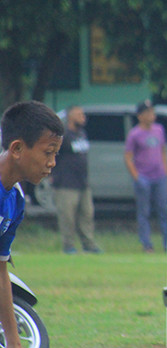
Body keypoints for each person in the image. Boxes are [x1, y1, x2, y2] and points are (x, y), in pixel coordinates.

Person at [0, 101, 63, 348]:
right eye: (48, 152)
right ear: (17, 149)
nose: (52, 163)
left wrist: (14, 346)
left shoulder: (15, 200)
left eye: (55, 153)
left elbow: (1, 271)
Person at [52, 105, 101, 254]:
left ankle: (89, 245)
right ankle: (69, 246)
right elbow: (52, 154)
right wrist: (51, 175)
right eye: (79, 114)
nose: (83, 117)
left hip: (82, 183)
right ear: (70, 117)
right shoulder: (63, 136)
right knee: (68, 217)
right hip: (66, 183)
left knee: (86, 215)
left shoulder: (82, 134)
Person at [124, 100, 167, 253]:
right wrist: (136, 176)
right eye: (148, 113)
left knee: (163, 210)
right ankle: (146, 244)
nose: (151, 116)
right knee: (144, 211)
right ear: (140, 116)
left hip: (159, 176)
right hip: (144, 176)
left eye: (152, 112)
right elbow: (128, 157)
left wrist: (165, 169)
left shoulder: (159, 129)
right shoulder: (134, 134)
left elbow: (162, 150)